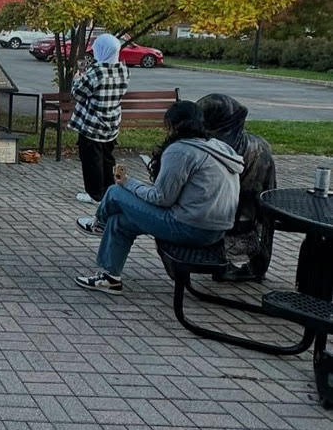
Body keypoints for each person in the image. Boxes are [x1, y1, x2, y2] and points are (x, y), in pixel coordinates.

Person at [75, 101, 243, 294]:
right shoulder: (218, 147)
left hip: (190, 227)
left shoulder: (180, 150)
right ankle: (109, 278)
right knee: (120, 222)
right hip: (216, 230)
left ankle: (99, 224)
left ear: (173, 125)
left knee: (115, 192)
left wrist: (128, 183)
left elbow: (162, 198)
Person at [198, 93, 277, 281]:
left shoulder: (224, 150)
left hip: (237, 214)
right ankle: (247, 264)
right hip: (246, 212)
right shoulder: (250, 143)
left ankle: (228, 263)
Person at [70, 33, 130, 204]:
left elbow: (78, 94)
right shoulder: (123, 69)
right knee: (108, 158)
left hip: (92, 125)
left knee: (91, 160)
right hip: (112, 123)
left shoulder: (96, 71)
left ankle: (95, 195)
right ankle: (111, 190)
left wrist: (77, 80)